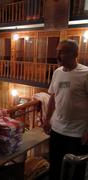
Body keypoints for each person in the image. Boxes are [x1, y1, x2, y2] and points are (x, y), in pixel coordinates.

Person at [43, 39, 88, 180]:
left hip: (77, 133)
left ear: (74, 54)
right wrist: (47, 119)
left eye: (61, 52)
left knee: (76, 171)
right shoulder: (57, 72)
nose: (57, 55)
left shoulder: (85, 73)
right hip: (57, 129)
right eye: (57, 51)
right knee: (55, 167)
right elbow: (52, 98)